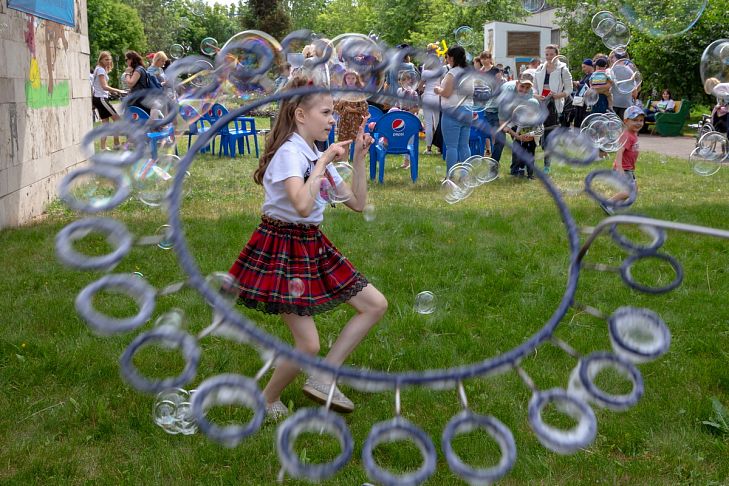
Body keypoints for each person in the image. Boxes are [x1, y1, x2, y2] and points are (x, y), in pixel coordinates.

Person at [227, 76, 386, 420]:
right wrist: (323, 163)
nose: (332, 119)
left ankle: (325, 375)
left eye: (332, 113)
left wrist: (358, 158)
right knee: (308, 344)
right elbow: (300, 203)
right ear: (300, 115)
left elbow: (357, 203)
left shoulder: (314, 153)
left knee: (374, 304)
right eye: (326, 112)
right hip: (281, 247)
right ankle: (267, 398)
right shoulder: (290, 154)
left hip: (311, 243)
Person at [533, 44, 573, 173]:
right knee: (537, 132)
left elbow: (569, 89)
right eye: (547, 54)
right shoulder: (540, 68)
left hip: (553, 105)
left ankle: (547, 165)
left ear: (557, 54)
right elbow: (534, 87)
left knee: (548, 135)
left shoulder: (563, 69)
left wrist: (557, 95)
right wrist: (537, 95)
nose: (549, 57)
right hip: (540, 103)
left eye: (551, 54)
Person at [434, 46, 473, 172]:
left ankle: (450, 176)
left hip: (452, 111)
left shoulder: (452, 73)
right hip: (467, 111)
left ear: (451, 58)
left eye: (447, 57)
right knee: (464, 145)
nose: (446, 59)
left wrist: (437, 89)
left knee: (451, 146)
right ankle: (465, 175)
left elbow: (446, 93)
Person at [600, 105, 644, 215]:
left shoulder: (633, 134)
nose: (638, 123)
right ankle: (608, 203)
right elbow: (619, 152)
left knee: (633, 191)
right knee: (629, 191)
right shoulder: (626, 135)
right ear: (626, 121)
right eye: (634, 120)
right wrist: (620, 168)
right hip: (623, 169)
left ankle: (614, 205)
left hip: (629, 169)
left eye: (641, 120)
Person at [503, 78, 540, 179]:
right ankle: (516, 171)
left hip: (531, 140)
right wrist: (511, 130)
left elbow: (540, 130)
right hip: (519, 138)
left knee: (530, 157)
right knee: (517, 154)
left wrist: (531, 135)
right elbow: (510, 124)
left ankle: (530, 174)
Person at [91, 51, 127, 150]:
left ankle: (103, 147)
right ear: (101, 59)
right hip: (101, 99)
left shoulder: (99, 69)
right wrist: (118, 90)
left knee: (105, 123)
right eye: (106, 59)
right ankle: (116, 144)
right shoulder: (101, 70)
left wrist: (112, 93)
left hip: (99, 98)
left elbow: (100, 87)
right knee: (117, 120)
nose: (108, 61)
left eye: (109, 60)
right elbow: (104, 86)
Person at [420, 47, 446, 155]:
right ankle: (440, 147)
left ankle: (429, 148)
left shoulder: (425, 72)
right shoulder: (441, 71)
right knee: (438, 123)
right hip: (437, 97)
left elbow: (420, 86)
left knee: (429, 123)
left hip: (427, 97)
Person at [334, 70, 369, 146]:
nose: (350, 80)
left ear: (356, 80)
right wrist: (341, 103)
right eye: (348, 78)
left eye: (353, 78)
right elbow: (335, 108)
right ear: (345, 79)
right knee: (344, 143)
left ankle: (355, 157)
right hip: (344, 121)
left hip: (356, 121)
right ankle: (344, 158)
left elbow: (365, 108)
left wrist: (353, 110)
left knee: (357, 143)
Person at [572, 59, 594, 128]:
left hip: (585, 104)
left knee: (582, 122)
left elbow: (587, 88)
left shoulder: (592, 76)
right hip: (580, 103)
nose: (583, 69)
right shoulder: (586, 76)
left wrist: (578, 84)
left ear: (590, 66)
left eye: (584, 67)